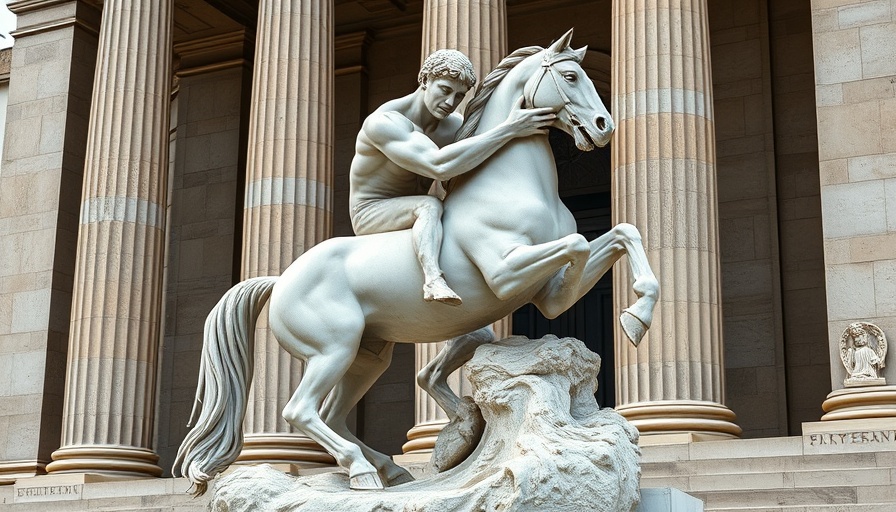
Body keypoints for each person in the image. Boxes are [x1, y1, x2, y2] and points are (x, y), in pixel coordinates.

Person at [349, 49, 557, 305]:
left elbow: (481, 152)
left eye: (459, 96)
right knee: (429, 204)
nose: (450, 102)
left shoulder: (453, 126)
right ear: (424, 80)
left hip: (425, 215)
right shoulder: (384, 122)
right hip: (372, 211)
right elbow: (439, 166)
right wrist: (510, 129)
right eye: (445, 90)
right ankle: (433, 279)